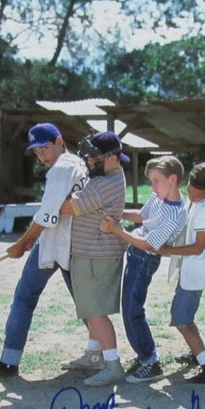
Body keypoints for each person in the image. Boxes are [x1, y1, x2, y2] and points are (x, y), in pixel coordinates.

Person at [0, 123, 88, 377]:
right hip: (72, 242)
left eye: (45, 148)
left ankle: (8, 361)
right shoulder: (79, 164)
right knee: (86, 304)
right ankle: (101, 354)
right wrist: (29, 239)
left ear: (59, 140)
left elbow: (47, 214)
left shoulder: (61, 168)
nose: (42, 156)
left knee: (25, 297)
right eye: (37, 152)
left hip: (56, 242)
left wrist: (21, 243)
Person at [100, 155, 187, 382]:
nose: (152, 185)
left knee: (132, 310)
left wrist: (116, 230)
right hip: (136, 254)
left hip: (144, 258)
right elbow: (142, 216)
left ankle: (151, 361)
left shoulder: (175, 212)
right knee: (129, 307)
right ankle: (143, 356)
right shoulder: (159, 197)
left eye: (156, 180)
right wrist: (117, 214)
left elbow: (150, 244)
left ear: (173, 179)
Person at [58, 131, 128, 387]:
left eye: (93, 157)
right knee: (90, 308)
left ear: (111, 158)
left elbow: (67, 207)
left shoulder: (105, 183)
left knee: (95, 312)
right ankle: (93, 355)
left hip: (96, 255)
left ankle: (113, 366)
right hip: (92, 253)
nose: (88, 161)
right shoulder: (106, 176)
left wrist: (54, 194)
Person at [157, 162, 205, 385]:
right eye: (191, 193)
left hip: (196, 267)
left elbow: (198, 247)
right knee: (184, 316)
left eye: (198, 195)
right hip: (191, 267)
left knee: (182, 320)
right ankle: (199, 351)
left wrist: (167, 250)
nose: (193, 198)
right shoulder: (202, 202)